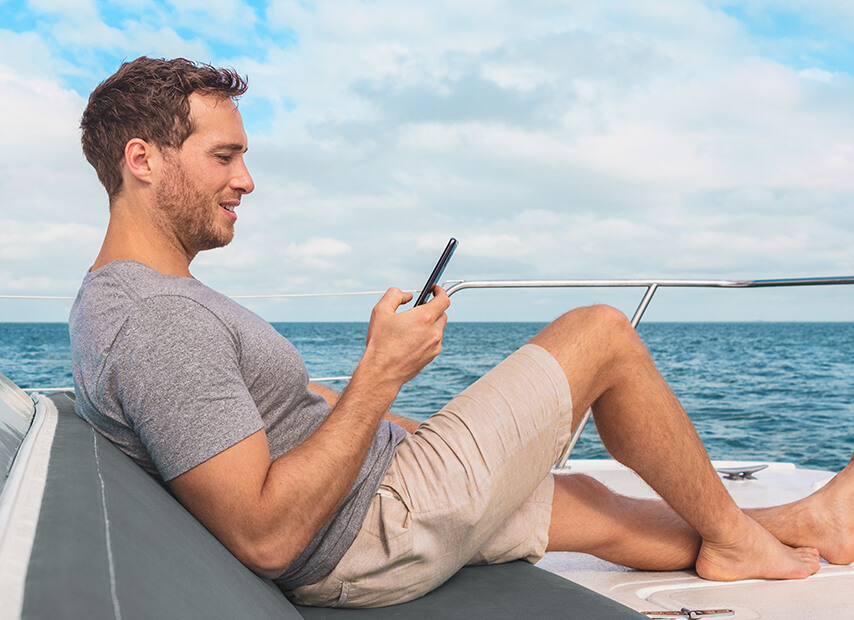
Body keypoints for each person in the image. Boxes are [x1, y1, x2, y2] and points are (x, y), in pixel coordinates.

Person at [69, 56, 854, 609]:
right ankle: (737, 540)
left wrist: (401, 424)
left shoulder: (135, 299)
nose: (246, 180)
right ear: (143, 159)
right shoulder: (159, 320)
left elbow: (270, 410)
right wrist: (383, 375)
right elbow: (266, 537)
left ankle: (797, 525)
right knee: (601, 333)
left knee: (579, 500)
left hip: (370, 498)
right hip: (370, 532)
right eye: (225, 156)